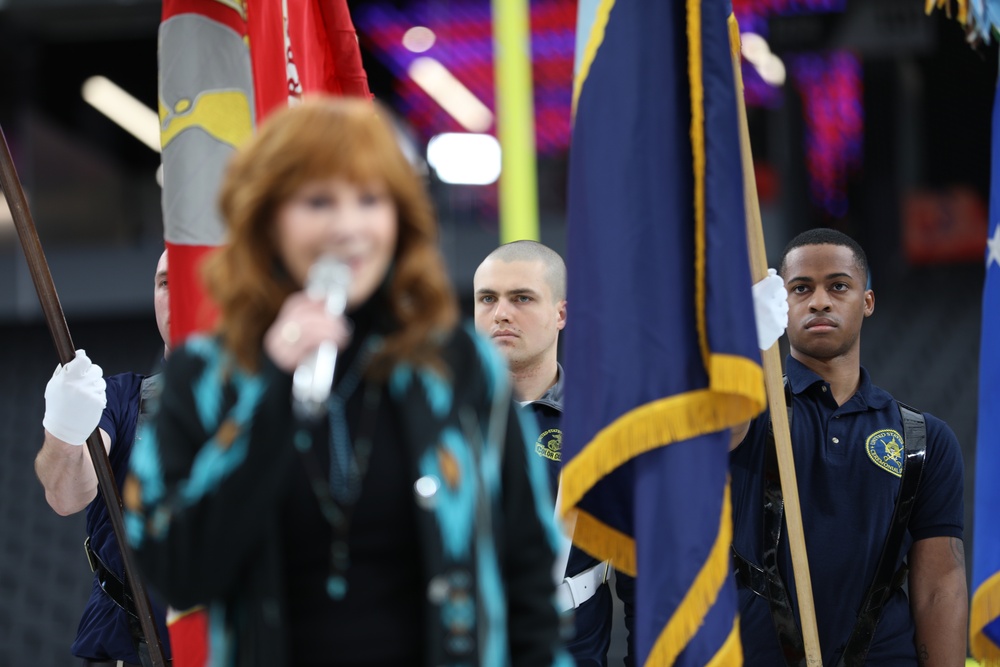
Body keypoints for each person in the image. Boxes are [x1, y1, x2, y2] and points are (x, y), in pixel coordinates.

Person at [123, 97, 569, 667]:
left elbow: (526, 573)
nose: (349, 226)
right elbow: (178, 570)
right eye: (318, 201)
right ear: (268, 217)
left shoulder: (455, 364)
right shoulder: (207, 375)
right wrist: (273, 389)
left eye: (370, 199)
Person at [730, 228, 967, 666]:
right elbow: (716, 432)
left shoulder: (925, 438)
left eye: (838, 286)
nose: (819, 301)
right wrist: (743, 341)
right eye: (800, 289)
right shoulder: (747, 414)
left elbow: (940, 588)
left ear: (868, 301)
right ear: (780, 305)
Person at [473, 240, 634, 667]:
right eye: (487, 299)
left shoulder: (605, 425)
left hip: (569, 649)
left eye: (522, 298)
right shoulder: (440, 413)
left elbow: (639, 572)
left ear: (561, 313)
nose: (501, 313)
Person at [35, 250, 173, 666]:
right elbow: (64, 494)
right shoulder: (120, 399)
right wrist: (65, 430)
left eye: (193, 277)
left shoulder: (275, 397)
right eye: (165, 283)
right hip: (133, 651)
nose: (177, 294)